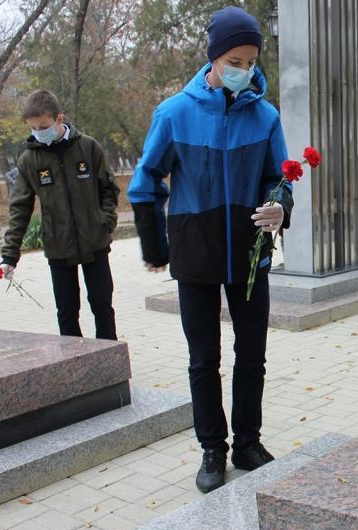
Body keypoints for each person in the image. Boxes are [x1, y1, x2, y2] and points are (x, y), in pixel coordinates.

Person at [128, 6, 293, 494]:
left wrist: (280, 208)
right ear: (215, 58)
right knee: (203, 358)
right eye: (236, 60)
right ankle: (212, 449)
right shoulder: (175, 112)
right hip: (195, 255)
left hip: (248, 256)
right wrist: (158, 246)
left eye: (252, 60)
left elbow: (278, 177)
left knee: (252, 354)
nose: (246, 69)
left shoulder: (265, 116)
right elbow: (145, 183)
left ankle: (247, 442)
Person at [0, 89, 120, 340]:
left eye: (43, 126)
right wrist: (10, 255)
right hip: (58, 246)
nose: (38, 132)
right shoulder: (29, 160)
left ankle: (109, 359)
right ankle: (74, 363)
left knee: (102, 306)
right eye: (33, 128)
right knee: (66, 310)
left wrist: (105, 222)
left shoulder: (88, 148)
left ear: (59, 119)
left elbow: (108, 190)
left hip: (94, 241)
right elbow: (20, 208)